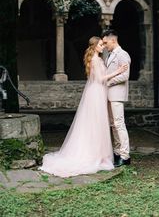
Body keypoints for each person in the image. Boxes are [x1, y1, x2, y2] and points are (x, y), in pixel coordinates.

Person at [39, 36, 127, 178]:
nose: (102, 46)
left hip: (96, 92)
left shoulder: (95, 59)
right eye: (100, 45)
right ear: (93, 46)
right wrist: (118, 71)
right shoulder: (95, 60)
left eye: (103, 44)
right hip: (97, 92)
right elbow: (100, 79)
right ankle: (94, 155)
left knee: (95, 123)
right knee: (96, 123)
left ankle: (99, 153)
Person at [102, 29, 131, 167]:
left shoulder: (123, 54)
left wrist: (108, 82)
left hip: (117, 94)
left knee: (119, 124)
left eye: (106, 42)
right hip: (109, 95)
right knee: (113, 124)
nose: (105, 45)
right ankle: (117, 151)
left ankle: (125, 156)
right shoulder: (109, 55)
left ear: (113, 40)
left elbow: (125, 76)